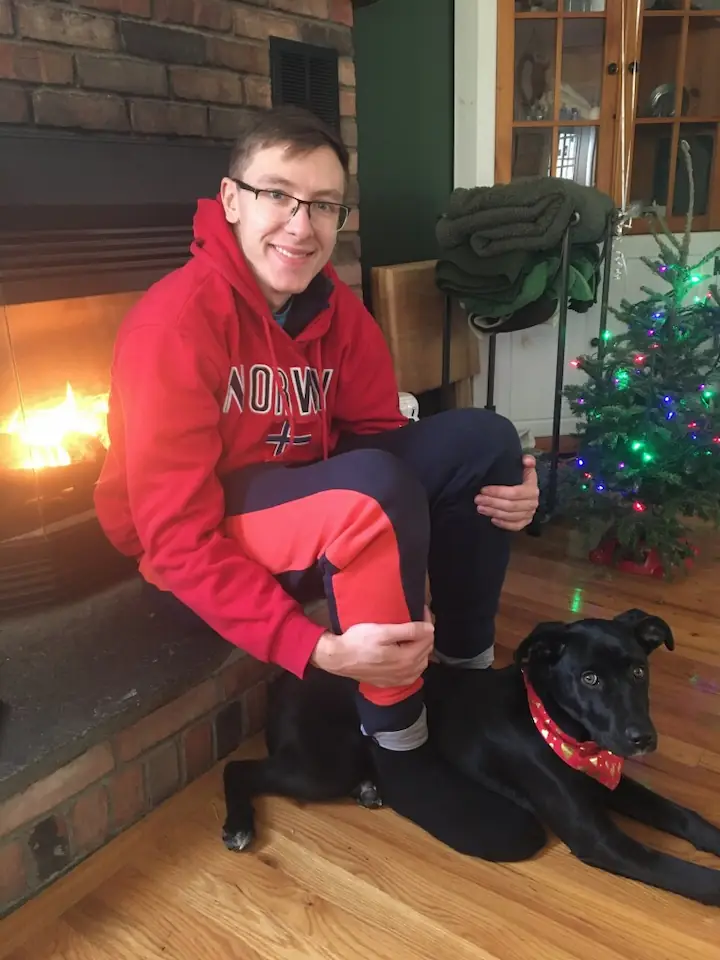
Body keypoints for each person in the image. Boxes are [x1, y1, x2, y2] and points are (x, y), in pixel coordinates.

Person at [95, 106, 541, 859]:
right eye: (278, 195)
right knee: (367, 491)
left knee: (484, 440)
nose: (301, 226)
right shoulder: (172, 326)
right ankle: (402, 752)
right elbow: (173, 541)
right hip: (195, 537)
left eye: (324, 205)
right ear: (232, 200)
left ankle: (464, 689)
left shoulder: (336, 312)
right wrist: (314, 648)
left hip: (303, 499)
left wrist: (502, 494)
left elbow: (380, 440)